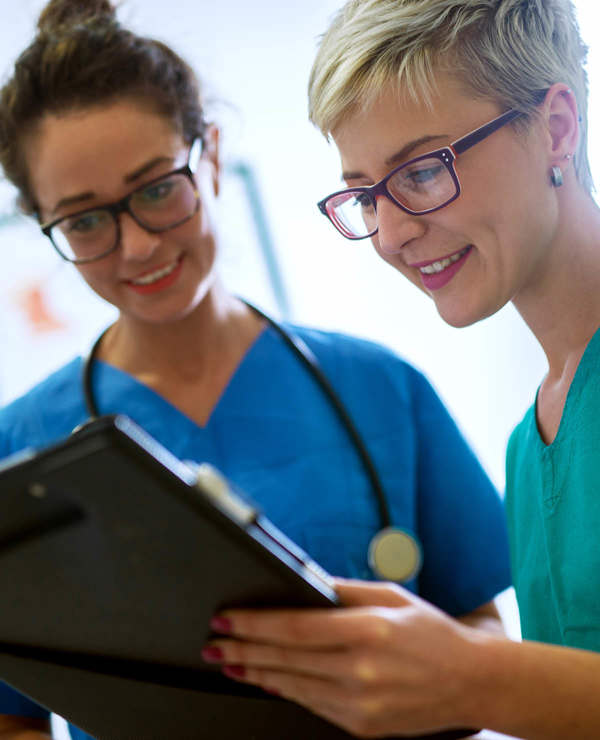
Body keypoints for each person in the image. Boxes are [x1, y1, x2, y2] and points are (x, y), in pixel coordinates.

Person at [0, 1, 512, 738]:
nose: (138, 247)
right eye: (84, 221)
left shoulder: (377, 388)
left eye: (155, 189)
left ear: (207, 156)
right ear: (43, 223)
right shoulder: (23, 447)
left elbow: (482, 644)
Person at [202, 0, 600, 737]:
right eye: (364, 193)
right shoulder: (534, 436)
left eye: (421, 170)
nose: (390, 234)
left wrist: (473, 676)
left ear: (556, 129)